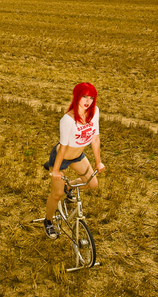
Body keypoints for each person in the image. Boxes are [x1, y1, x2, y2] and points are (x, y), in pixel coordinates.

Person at [43, 82, 105, 239]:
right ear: (77, 96)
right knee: (56, 195)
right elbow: (63, 147)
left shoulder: (94, 112)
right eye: (84, 96)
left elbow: (95, 138)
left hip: (78, 156)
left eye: (91, 98)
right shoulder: (68, 119)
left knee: (93, 184)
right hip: (61, 158)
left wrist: (98, 162)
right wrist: (56, 170)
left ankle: (68, 186)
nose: (88, 101)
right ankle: (48, 221)